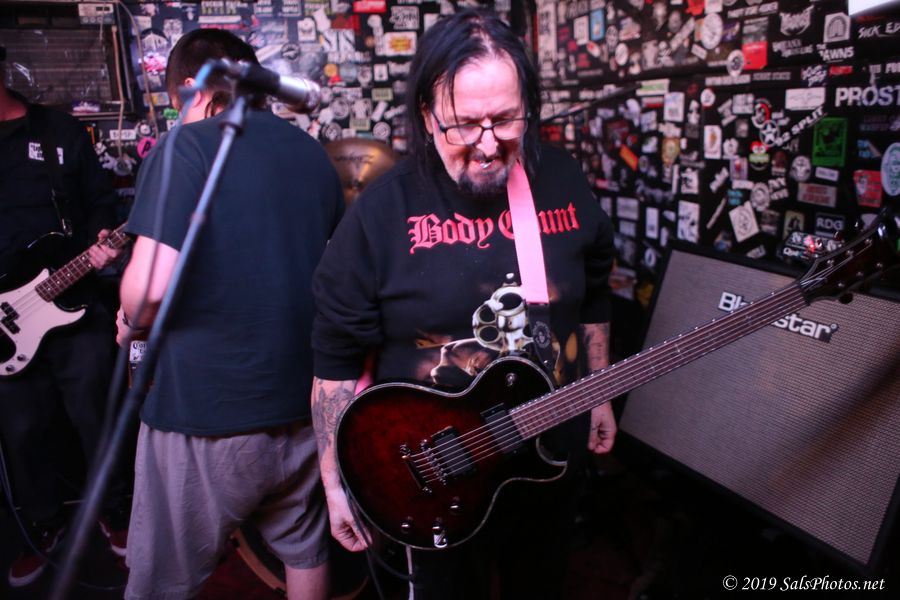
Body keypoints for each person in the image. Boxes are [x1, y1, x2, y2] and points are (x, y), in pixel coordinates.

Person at [310, 9, 617, 600]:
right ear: (428, 116)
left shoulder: (561, 181)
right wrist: (333, 480)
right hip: (434, 483)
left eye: (505, 119)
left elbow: (595, 290)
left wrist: (599, 392)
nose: (487, 144)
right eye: (464, 125)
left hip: (550, 456)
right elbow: (335, 358)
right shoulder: (382, 213)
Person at [117, 29, 344, 600]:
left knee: (159, 582)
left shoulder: (185, 148)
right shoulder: (312, 155)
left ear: (193, 90)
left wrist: (130, 322)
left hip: (205, 416)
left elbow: (146, 294)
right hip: (301, 407)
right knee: (305, 549)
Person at [0, 45, 128, 587]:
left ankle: (117, 512)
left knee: (96, 411)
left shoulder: (58, 132)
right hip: (6, 318)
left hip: (73, 299)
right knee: (21, 429)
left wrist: (103, 238)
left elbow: (102, 202)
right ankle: (44, 523)